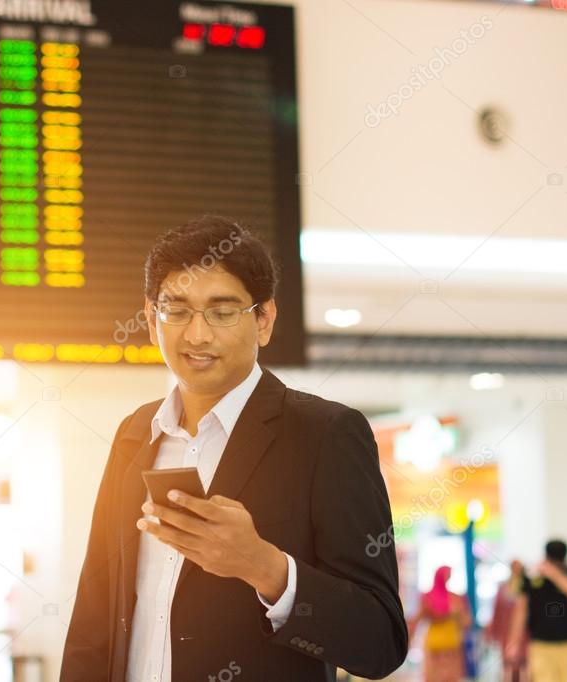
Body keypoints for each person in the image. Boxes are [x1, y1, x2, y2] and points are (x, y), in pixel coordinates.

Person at [60, 216, 408, 681]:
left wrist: (267, 568)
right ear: (150, 317)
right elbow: (94, 613)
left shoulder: (325, 435)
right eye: (176, 310)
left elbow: (380, 642)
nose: (197, 335)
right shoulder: (135, 432)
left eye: (222, 312)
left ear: (263, 320)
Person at [508, 539, 567, 682]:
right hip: (540, 641)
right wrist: (513, 642)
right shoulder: (532, 575)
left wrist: (554, 574)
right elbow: (521, 610)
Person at [407, 566, 471, 682]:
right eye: (447, 575)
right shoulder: (428, 597)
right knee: (433, 677)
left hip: (452, 643)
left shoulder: (456, 597)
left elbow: (467, 621)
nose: (448, 578)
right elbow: (418, 618)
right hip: (434, 644)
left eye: (450, 575)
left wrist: (459, 614)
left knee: (451, 677)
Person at [486, 559, 529, 682]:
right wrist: (492, 631)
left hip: (525, 633)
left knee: (523, 663)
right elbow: (496, 610)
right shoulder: (503, 587)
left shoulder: (527, 587)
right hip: (506, 631)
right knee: (508, 664)